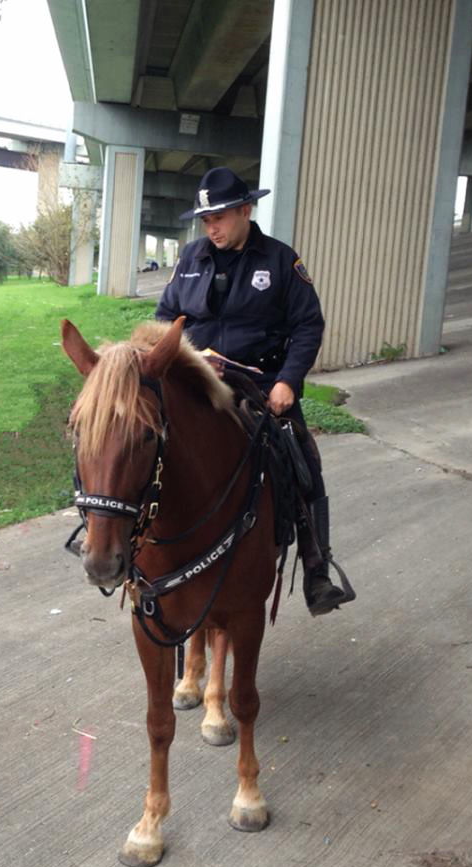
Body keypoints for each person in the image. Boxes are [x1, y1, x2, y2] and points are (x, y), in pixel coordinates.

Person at [156, 166, 355, 616]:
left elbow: (308, 325)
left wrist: (288, 381)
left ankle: (316, 567)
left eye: (221, 217)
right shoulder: (190, 259)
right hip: (197, 384)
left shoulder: (282, 261)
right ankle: (136, 553)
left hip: (262, 386)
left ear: (246, 210)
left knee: (303, 459)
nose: (212, 227)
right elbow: (164, 318)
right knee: (143, 445)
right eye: (206, 220)